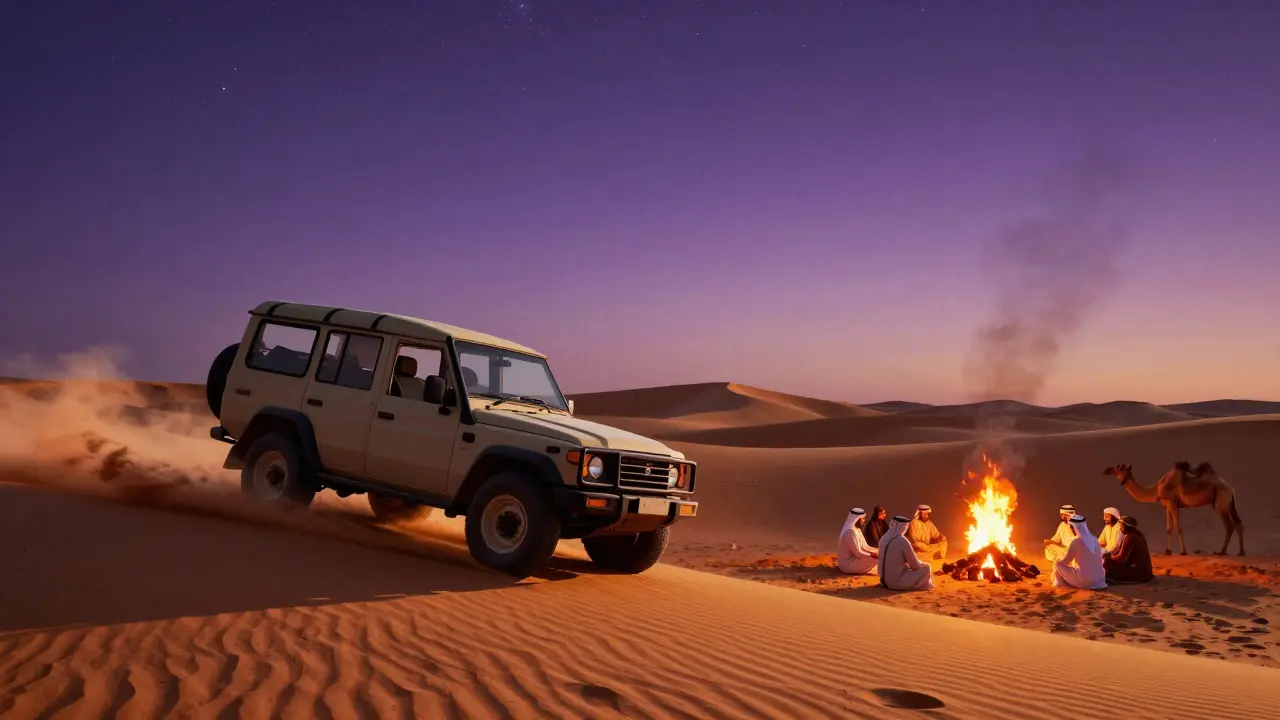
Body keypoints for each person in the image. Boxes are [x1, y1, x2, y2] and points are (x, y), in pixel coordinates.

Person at [878, 515, 935, 591]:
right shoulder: (902, 541)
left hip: (883, 581)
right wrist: (923, 564)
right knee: (927, 567)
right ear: (903, 527)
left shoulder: (884, 538)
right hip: (896, 583)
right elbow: (914, 565)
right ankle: (921, 586)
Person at [1051, 514, 1108, 590]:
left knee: (1057, 563)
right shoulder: (1094, 539)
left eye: (1071, 527)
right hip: (1099, 580)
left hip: (1085, 581)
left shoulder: (1076, 541)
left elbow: (1066, 561)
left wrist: (1059, 560)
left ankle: (1060, 584)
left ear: (1074, 528)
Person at [1104, 515, 1154, 583]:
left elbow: (1122, 558)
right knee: (1108, 562)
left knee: (1109, 565)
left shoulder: (1131, 537)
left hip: (1140, 573)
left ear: (1126, 526)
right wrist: (1108, 555)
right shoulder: (1135, 535)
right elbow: (1118, 551)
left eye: (1121, 526)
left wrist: (1109, 558)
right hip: (1144, 572)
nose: (1120, 529)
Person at [837, 508, 878, 575]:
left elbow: (865, 547)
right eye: (863, 518)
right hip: (847, 565)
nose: (864, 520)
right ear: (858, 519)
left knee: (879, 554)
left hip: (854, 560)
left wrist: (876, 551)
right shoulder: (850, 532)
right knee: (877, 559)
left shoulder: (856, 529)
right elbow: (858, 553)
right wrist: (871, 555)